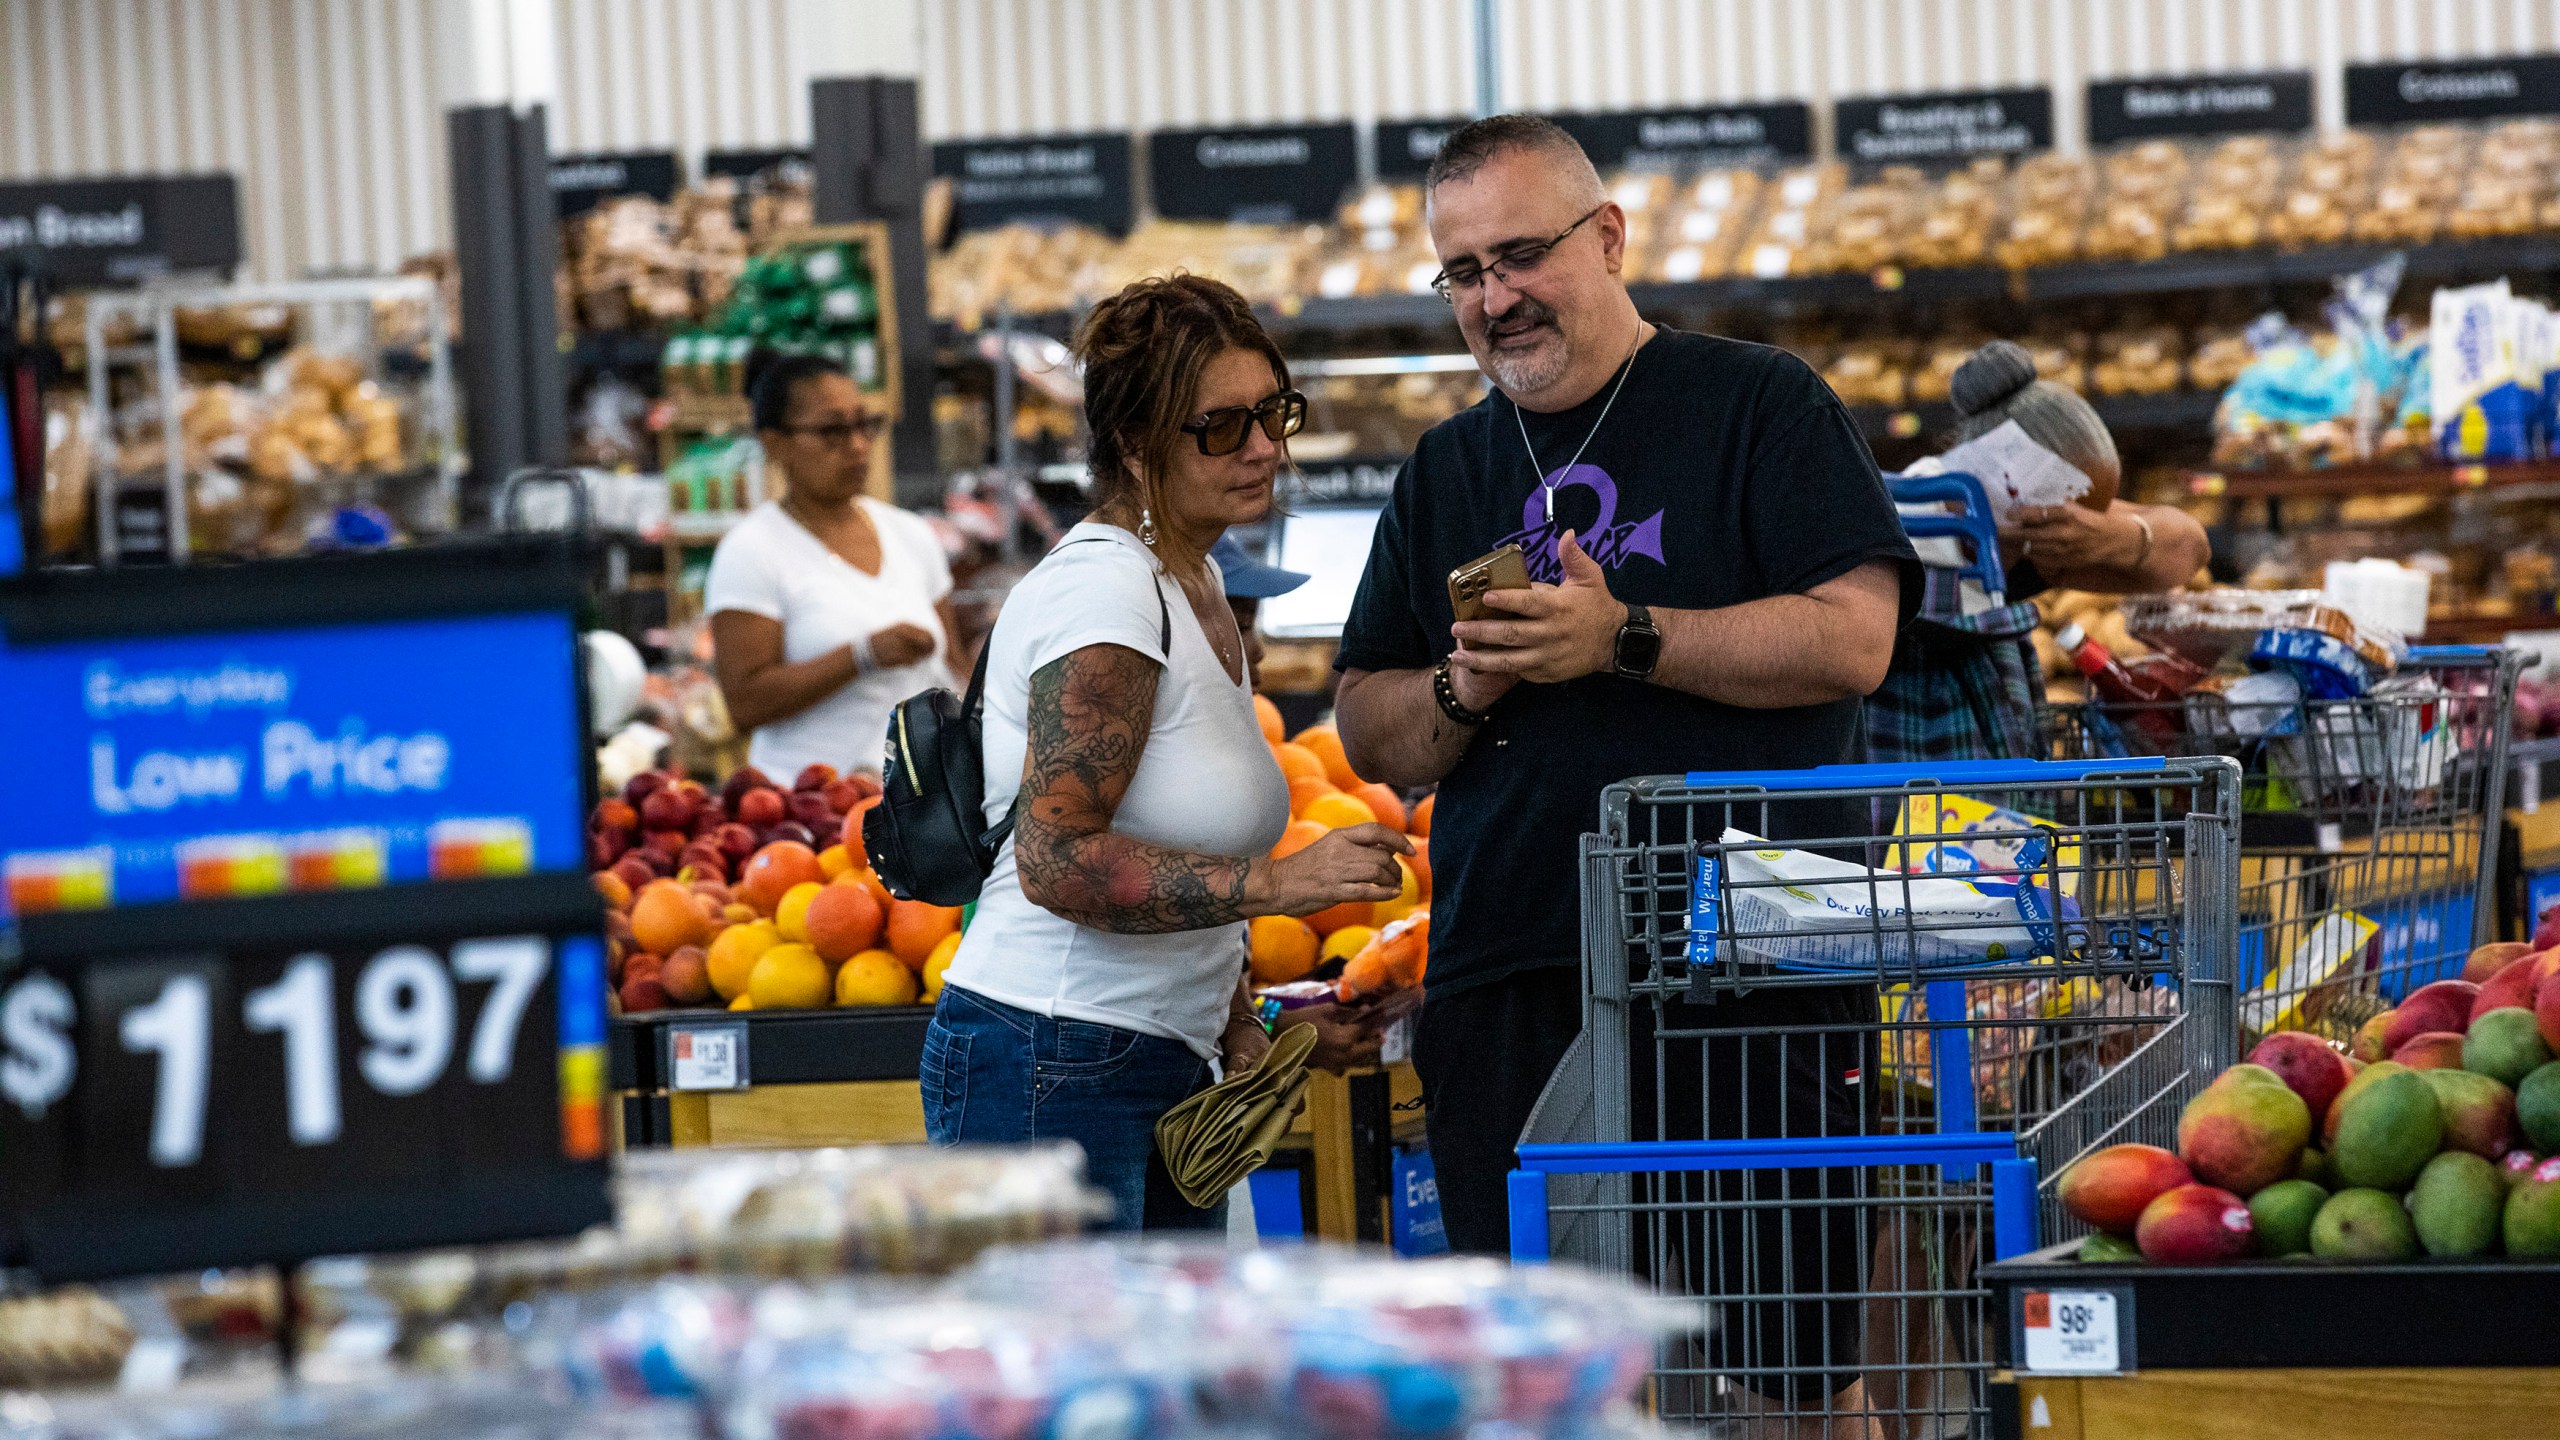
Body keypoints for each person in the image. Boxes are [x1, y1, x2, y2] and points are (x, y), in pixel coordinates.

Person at [1331, 116, 1916, 1432]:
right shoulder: (1444, 468)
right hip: (1512, 972)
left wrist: (1623, 637)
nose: (1494, 297)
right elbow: (1371, 727)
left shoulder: (1760, 404)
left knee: (1794, 1380)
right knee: (1548, 1389)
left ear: (1608, 238)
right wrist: (1462, 687)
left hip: (1754, 964)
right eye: (1463, 272)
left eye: (1521, 254)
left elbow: (1856, 639)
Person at [923, 275, 1412, 1231]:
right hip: (1049, 1061)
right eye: (1222, 427)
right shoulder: (1107, 596)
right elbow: (1060, 859)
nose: (1267, 447)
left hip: (1148, 1057)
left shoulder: (1192, 582)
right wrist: (1280, 887)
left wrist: (1242, 1018)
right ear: (1139, 448)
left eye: (1275, 414)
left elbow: (1172, 826)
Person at [1868, 339, 2211, 764]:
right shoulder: (1901, 531)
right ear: (2014, 484)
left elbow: (2189, 548)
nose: (2078, 533)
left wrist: (2116, 536)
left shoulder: (2028, 534)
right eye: (2076, 515)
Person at [705, 354, 960, 784]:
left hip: (918, 806)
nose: (858, 445)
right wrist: (862, 655)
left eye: (865, 425)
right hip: (806, 812)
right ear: (774, 442)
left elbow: (954, 665)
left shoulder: (911, 535)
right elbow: (744, 704)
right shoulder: (751, 551)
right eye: (831, 431)